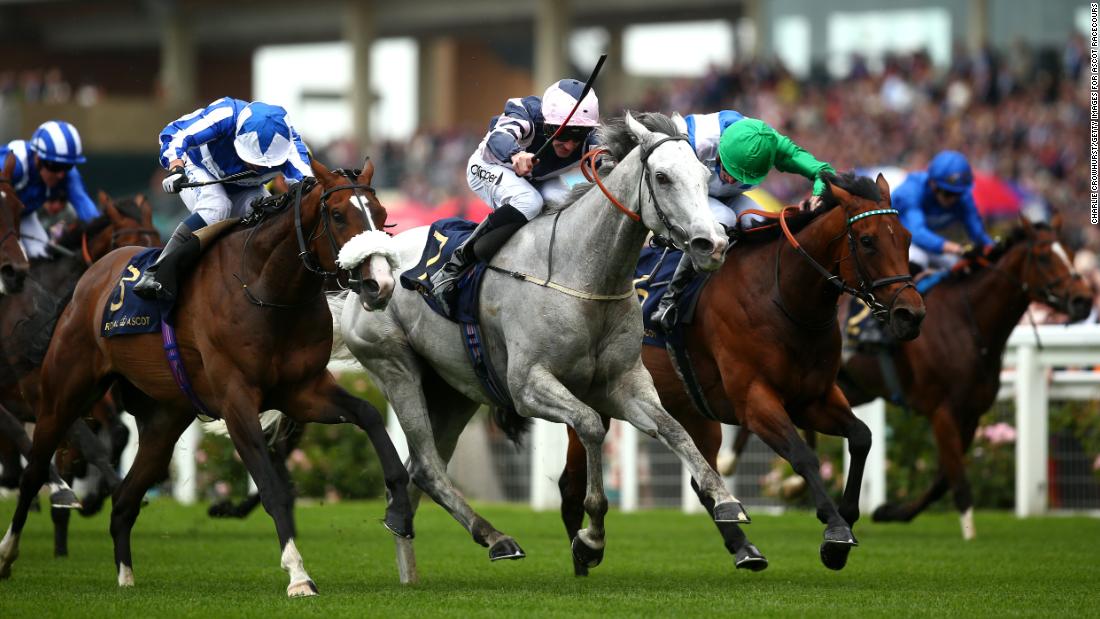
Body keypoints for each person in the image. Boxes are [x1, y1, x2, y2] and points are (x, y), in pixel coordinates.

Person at [651, 110, 836, 330]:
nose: (729, 178)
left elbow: (823, 171)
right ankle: (670, 300)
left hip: (727, 197)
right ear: (720, 146)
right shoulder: (694, 138)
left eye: (739, 176)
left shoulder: (774, 145)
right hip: (691, 195)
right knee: (724, 218)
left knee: (761, 223)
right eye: (727, 168)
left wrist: (818, 193)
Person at [428, 78, 599, 304]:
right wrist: (516, 154)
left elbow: (610, 163)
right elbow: (499, 137)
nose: (568, 145)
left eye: (577, 136)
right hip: (490, 166)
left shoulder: (593, 137)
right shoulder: (525, 112)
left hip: (537, 179)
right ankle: (455, 265)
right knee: (529, 201)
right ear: (547, 124)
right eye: (560, 133)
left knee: (571, 210)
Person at [133, 97, 312, 301]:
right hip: (199, 170)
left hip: (246, 189)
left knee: (268, 217)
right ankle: (158, 271)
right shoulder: (225, 114)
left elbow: (311, 186)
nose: (259, 168)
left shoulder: (292, 146)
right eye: (253, 159)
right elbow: (174, 133)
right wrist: (175, 167)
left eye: (266, 164)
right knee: (217, 206)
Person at [0, 120, 99, 259]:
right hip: (3, 217)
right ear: (38, 158)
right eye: (56, 166)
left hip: (25, 215)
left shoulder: (68, 176)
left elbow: (86, 209)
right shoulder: (16, 164)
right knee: (16, 259)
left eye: (67, 166)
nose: (60, 174)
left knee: (44, 258)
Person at [892, 149, 993, 273]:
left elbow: (978, 234)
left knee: (958, 265)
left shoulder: (964, 198)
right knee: (918, 259)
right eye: (948, 193)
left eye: (958, 193)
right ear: (933, 184)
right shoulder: (911, 191)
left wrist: (993, 247)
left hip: (927, 244)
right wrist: (957, 248)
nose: (953, 198)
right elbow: (916, 233)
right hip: (894, 240)